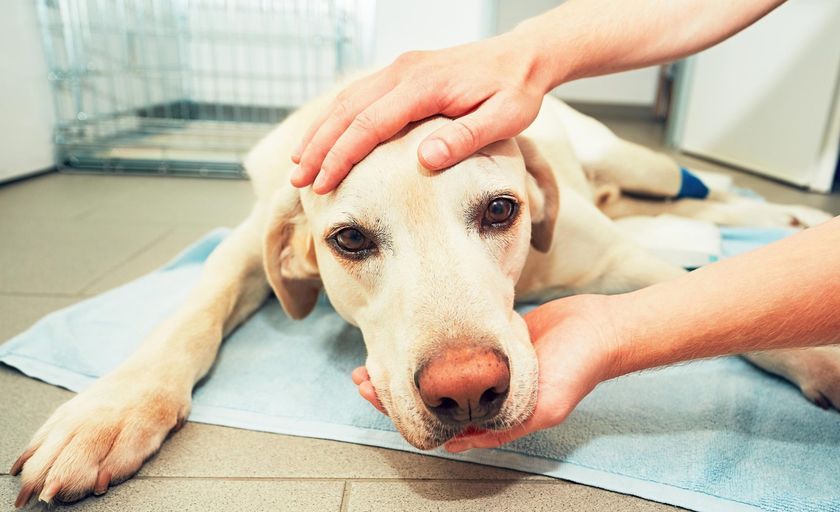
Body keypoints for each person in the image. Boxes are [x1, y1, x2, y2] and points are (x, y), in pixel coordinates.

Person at [295, 0, 840, 451]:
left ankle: (712, 194)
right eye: (355, 239)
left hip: (570, 150)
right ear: (299, 253)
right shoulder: (298, 189)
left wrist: (791, 346)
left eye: (497, 213)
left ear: (539, 200)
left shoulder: (537, 171)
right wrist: (529, 53)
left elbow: (635, 266)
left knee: (645, 172)